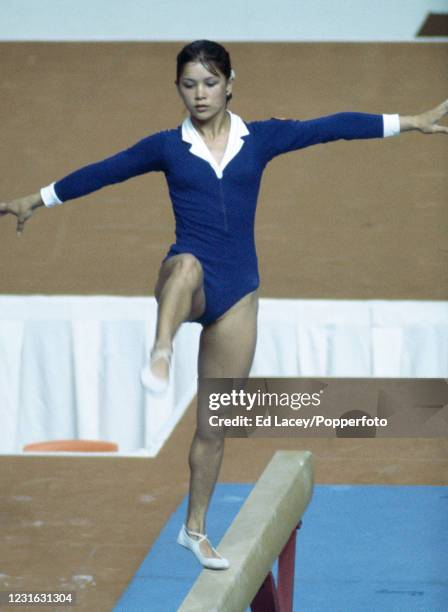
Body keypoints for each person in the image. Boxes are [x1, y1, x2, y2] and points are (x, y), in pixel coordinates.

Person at [1, 40, 447, 570]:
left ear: (230, 83)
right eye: (189, 85)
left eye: (210, 83)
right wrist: (37, 198)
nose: (200, 94)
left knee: (216, 423)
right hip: (185, 284)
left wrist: (412, 121)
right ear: (178, 90)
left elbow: (332, 125)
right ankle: (161, 349)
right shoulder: (167, 147)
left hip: (237, 294)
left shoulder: (261, 139)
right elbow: (105, 170)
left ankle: (195, 530)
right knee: (187, 263)